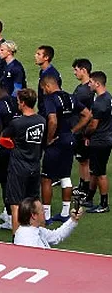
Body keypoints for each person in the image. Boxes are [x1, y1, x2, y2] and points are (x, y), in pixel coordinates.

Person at [39, 75, 91, 223]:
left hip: (56, 141)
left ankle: (47, 215)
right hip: (69, 140)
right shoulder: (70, 97)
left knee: (46, 178)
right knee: (65, 176)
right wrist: (73, 131)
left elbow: (53, 120)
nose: (43, 92)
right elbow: (87, 115)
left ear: (48, 86)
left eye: (43, 89)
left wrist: (49, 138)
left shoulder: (49, 99)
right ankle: (64, 213)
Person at [0, 88, 46, 234]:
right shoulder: (41, 120)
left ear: (23, 103)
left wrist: (12, 144)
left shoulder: (17, 123)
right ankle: (41, 235)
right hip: (35, 165)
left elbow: (3, 139)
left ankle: (17, 240)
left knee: (16, 205)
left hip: (19, 168)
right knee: (36, 203)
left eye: (19, 101)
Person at [0, 82, 20, 230]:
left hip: (5, 148)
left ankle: (10, 218)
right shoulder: (17, 100)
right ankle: (10, 213)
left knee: (5, 183)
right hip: (19, 146)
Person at [82, 71, 111, 213]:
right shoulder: (108, 97)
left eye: (91, 82)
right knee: (94, 170)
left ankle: (104, 204)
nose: (89, 84)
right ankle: (89, 198)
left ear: (97, 84)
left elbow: (93, 125)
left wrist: (86, 135)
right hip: (106, 137)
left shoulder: (99, 102)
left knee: (100, 173)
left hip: (100, 140)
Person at [14, 197, 83, 248]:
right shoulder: (27, 240)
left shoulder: (36, 229)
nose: (44, 212)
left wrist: (73, 219)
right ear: (34, 216)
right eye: (42, 210)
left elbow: (56, 236)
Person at [71, 59, 95, 200]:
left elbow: (85, 113)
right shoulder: (87, 88)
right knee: (83, 160)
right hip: (84, 130)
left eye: (76, 70)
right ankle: (82, 186)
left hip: (82, 130)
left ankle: (84, 188)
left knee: (83, 160)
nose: (75, 73)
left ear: (84, 70)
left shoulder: (84, 91)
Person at [34, 45, 62, 116]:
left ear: (46, 58)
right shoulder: (43, 71)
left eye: (38, 54)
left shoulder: (51, 74)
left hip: (49, 111)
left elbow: (53, 94)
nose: (35, 56)